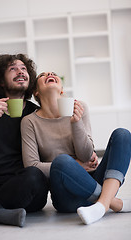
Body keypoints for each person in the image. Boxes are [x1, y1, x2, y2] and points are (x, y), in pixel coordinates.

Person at [21, 71, 131, 225]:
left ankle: (102, 205)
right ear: (36, 92)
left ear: (61, 89)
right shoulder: (29, 122)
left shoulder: (79, 107)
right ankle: (113, 202)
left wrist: (76, 123)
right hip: (66, 196)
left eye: (53, 73)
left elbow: (86, 155)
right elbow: (31, 165)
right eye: (42, 75)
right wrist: (77, 166)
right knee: (62, 161)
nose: (50, 74)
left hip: (93, 181)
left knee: (123, 134)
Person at [0, 54, 48, 228]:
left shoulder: (36, 112)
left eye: (23, 69)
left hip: (25, 184)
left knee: (34, 176)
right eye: (13, 69)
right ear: (1, 81)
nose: (20, 72)